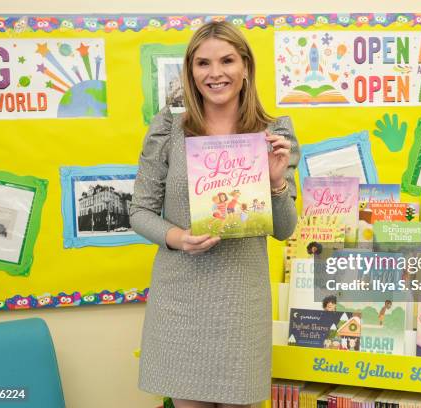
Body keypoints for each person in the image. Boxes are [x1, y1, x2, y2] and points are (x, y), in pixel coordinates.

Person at [130, 21, 299, 407]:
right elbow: (139, 211)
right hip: (180, 303)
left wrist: (276, 183)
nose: (215, 73)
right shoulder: (168, 128)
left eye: (227, 60)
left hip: (241, 303)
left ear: (245, 67)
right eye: (203, 63)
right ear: (190, 71)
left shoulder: (274, 134)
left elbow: (284, 229)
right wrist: (177, 238)